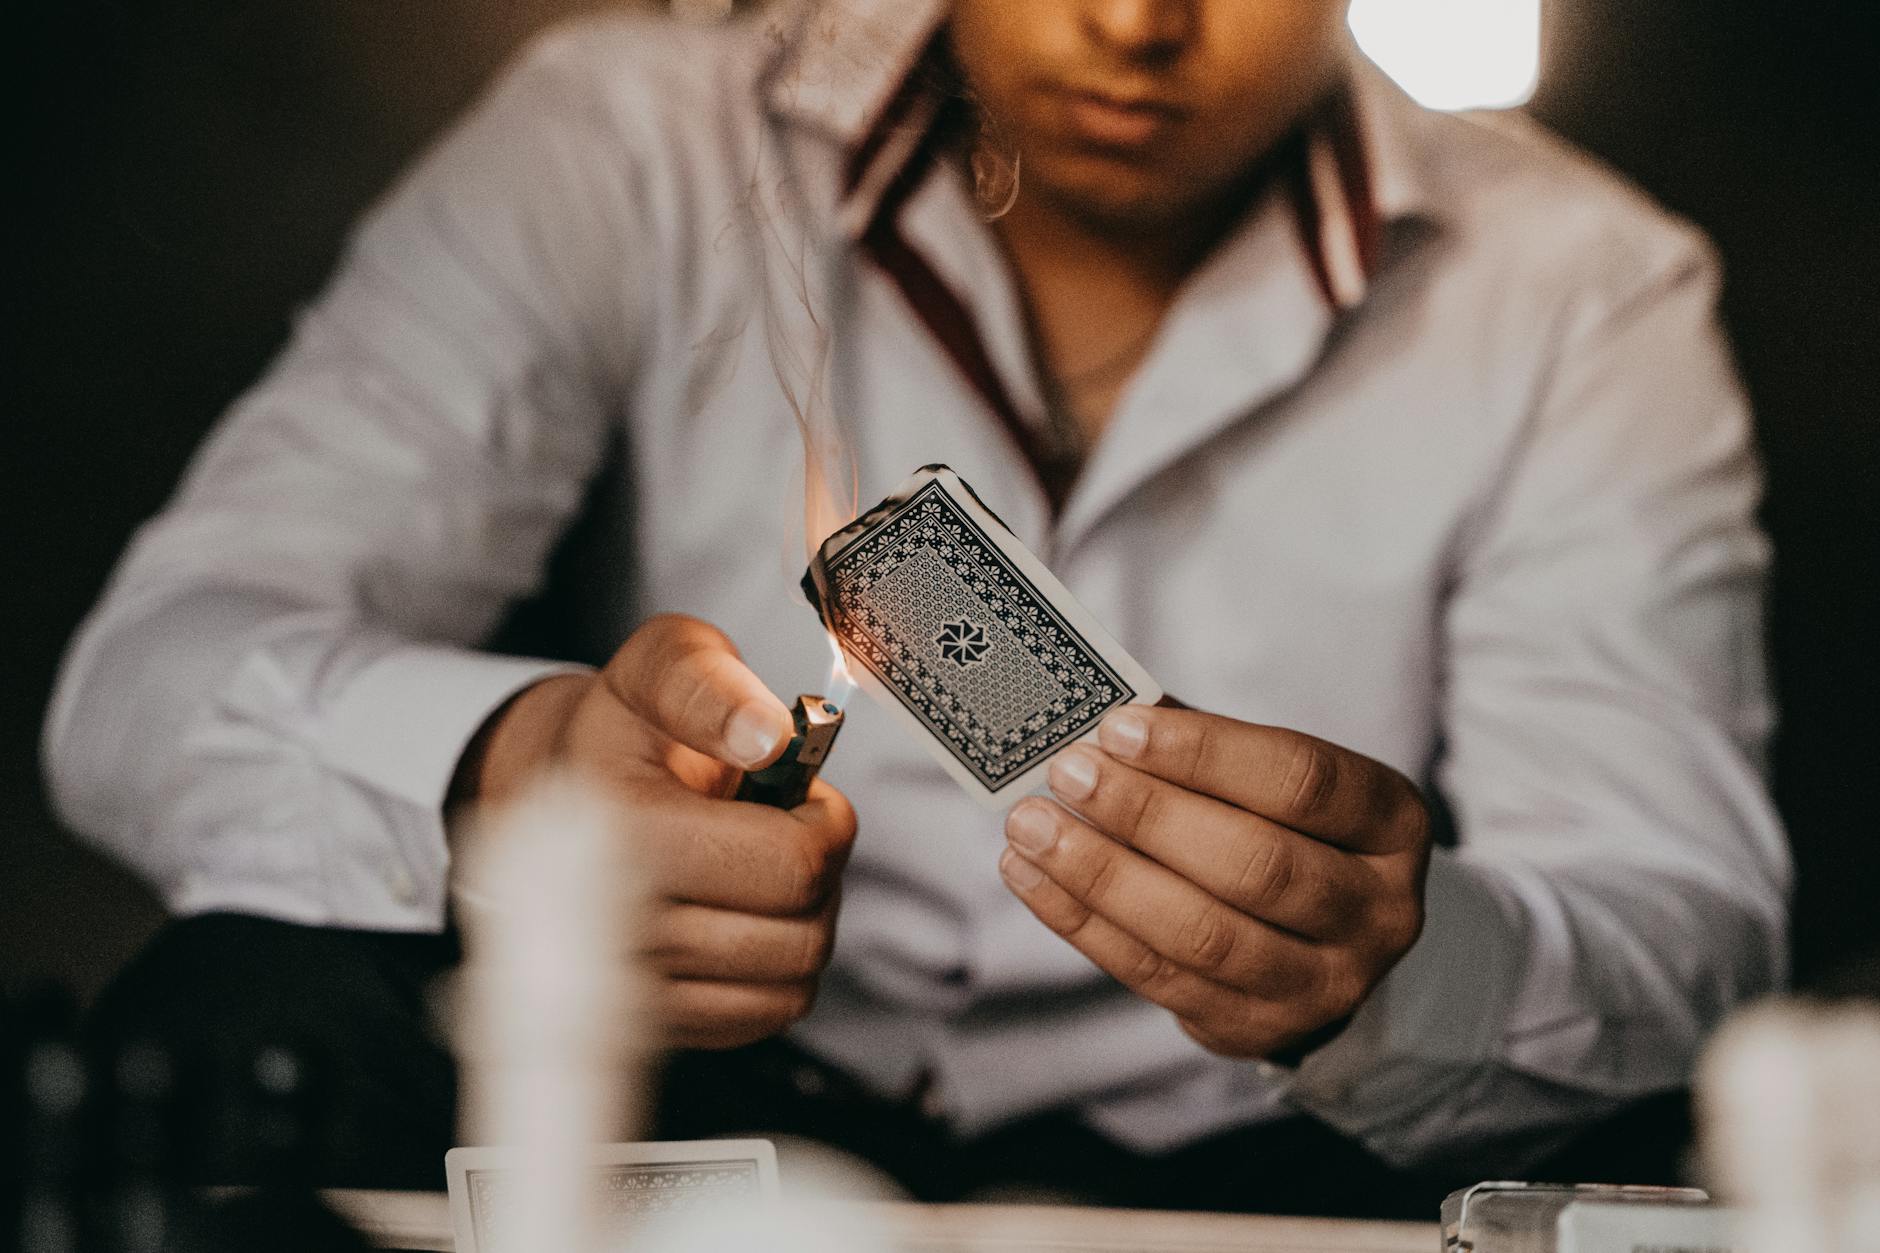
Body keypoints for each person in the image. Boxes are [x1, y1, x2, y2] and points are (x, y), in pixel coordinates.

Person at [44, 0, 1788, 1218]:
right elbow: (149, 677)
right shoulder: (638, 136)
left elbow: (1680, 925)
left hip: (1272, 1152)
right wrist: (507, 780)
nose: (1136, 18)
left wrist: (1388, 967)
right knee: (228, 1010)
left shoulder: (1582, 291)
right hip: (691, 1116)